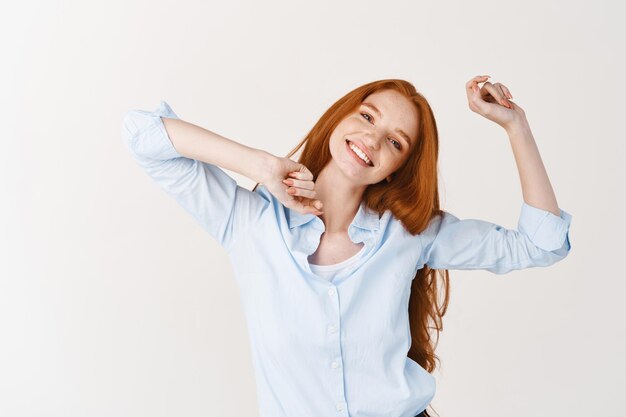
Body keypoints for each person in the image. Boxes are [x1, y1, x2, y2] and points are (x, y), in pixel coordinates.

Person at [121, 75, 572, 417]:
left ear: (396, 168)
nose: (372, 139)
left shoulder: (410, 234)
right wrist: (263, 166)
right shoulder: (250, 222)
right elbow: (142, 134)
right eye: (367, 116)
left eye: (395, 142)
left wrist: (516, 126)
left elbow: (541, 244)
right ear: (341, 116)